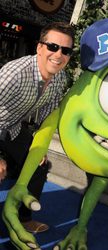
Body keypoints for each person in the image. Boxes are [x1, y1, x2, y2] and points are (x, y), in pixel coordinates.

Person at [0, 21, 74, 233]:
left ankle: (24, 219)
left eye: (66, 50)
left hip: (12, 128)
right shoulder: (15, 73)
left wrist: (37, 148)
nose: (58, 55)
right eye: (52, 47)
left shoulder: (60, 78)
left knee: (38, 167)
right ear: (39, 47)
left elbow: (47, 116)